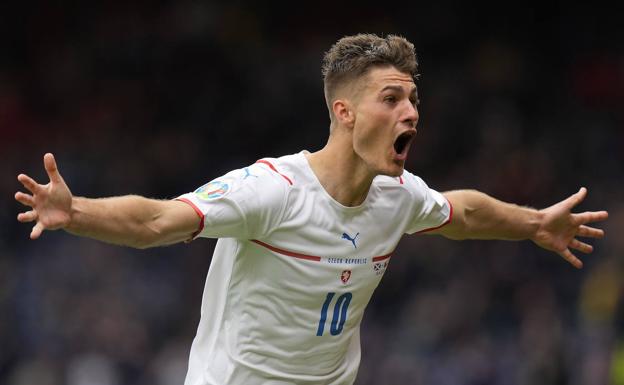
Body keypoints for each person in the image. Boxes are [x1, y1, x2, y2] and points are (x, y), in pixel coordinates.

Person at [15, 34, 608, 385]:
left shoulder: (396, 198)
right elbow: (156, 221)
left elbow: (465, 212)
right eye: (392, 98)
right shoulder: (272, 191)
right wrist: (78, 211)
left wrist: (534, 225)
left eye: (414, 99)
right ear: (345, 112)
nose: (412, 113)